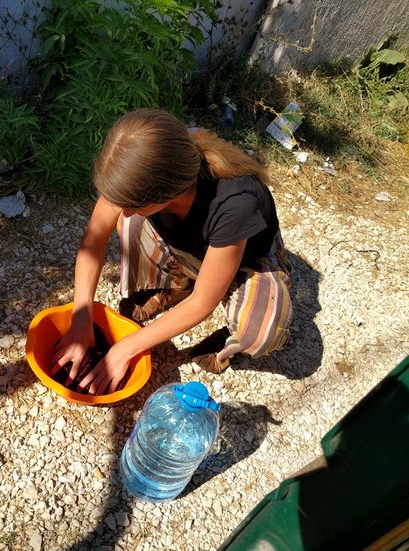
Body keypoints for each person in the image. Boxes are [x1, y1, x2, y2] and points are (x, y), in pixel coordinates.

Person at [50, 108, 293, 395]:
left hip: (245, 262)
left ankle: (227, 343)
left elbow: (203, 303)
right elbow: (93, 243)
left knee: (260, 332)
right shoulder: (151, 160)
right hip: (197, 251)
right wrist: (81, 316)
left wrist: (126, 348)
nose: (123, 210)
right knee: (130, 223)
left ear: (167, 192)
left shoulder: (234, 202)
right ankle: (175, 285)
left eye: (133, 203)